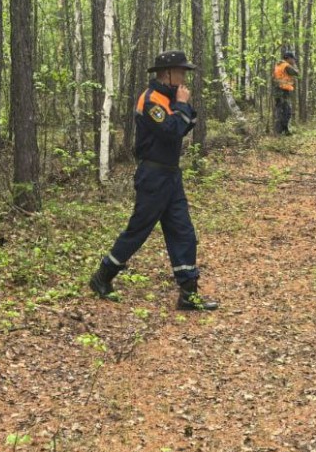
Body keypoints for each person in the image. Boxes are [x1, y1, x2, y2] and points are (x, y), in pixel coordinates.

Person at [88, 49, 219, 311]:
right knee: (139, 230)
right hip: (153, 176)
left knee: (183, 231)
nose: (183, 77)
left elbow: (186, 123)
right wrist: (181, 105)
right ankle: (102, 276)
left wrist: (182, 105)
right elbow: (172, 132)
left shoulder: (170, 97)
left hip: (171, 175)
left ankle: (188, 293)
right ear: (166, 73)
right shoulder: (151, 100)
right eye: (180, 71)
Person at [272, 47, 299, 135]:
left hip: (277, 90)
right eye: (292, 59)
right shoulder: (286, 66)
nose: (293, 60)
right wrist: (294, 65)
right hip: (283, 91)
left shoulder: (278, 65)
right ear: (288, 58)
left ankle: (281, 131)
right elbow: (296, 73)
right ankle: (282, 131)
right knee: (287, 111)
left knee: (280, 110)